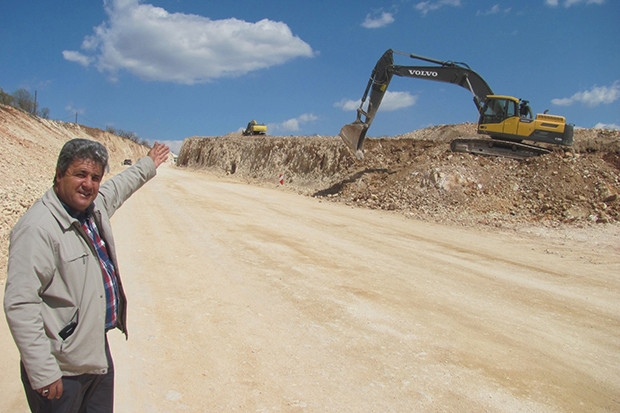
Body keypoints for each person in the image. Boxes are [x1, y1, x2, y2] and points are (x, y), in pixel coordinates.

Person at [4, 138, 170, 412]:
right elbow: (20, 304)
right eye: (80, 174)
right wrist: (43, 371)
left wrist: (148, 163)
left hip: (95, 353)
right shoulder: (38, 229)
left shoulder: (92, 210)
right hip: (62, 368)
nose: (89, 184)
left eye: (95, 177)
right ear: (59, 175)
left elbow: (120, 186)